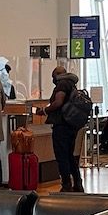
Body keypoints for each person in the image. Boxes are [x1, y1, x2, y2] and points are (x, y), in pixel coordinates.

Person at [43, 64, 86, 192]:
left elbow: (58, 102)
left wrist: (45, 110)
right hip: (71, 125)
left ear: (57, 76)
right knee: (69, 155)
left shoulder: (62, 84)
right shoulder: (72, 84)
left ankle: (66, 184)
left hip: (61, 125)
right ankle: (77, 182)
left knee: (61, 156)